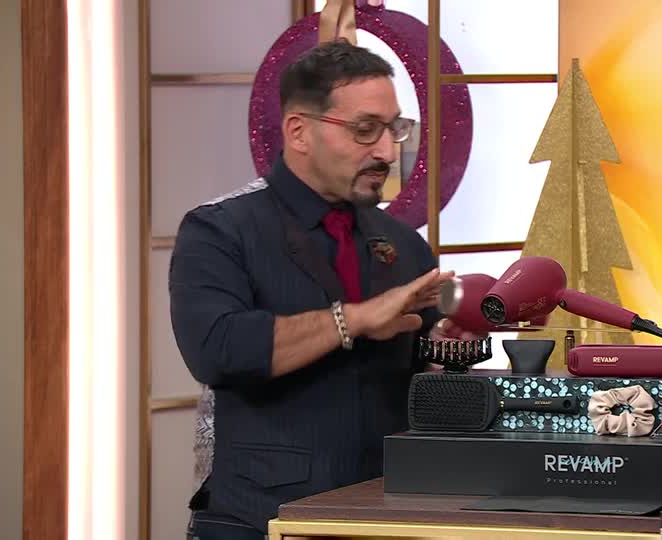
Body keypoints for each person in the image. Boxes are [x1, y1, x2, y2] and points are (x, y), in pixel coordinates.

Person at [169, 40, 476, 539]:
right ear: (299, 132)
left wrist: (446, 354)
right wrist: (354, 319)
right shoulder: (220, 229)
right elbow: (217, 351)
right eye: (364, 130)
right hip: (259, 518)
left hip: (387, 516)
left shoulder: (402, 245)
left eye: (394, 128)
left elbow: (420, 383)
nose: (386, 150)